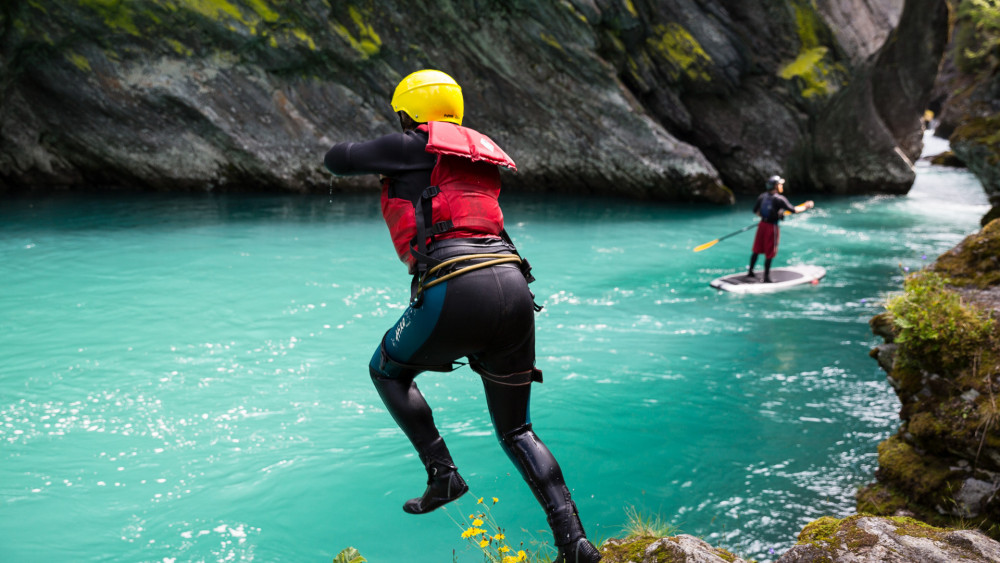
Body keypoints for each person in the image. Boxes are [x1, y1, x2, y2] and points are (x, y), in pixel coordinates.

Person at [324, 69, 601, 563]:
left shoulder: (412, 145)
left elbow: (337, 160)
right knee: (518, 431)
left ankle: (443, 474)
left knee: (385, 369)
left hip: (458, 285)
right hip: (514, 285)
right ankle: (575, 545)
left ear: (409, 110)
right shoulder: (475, 151)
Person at [747, 175, 814, 282]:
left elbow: (756, 211)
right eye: (780, 184)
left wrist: (766, 217)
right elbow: (794, 210)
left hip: (762, 225)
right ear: (776, 186)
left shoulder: (762, 196)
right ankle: (766, 278)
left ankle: (750, 272)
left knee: (757, 248)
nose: (782, 186)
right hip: (771, 227)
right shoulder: (779, 199)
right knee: (770, 251)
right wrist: (806, 206)